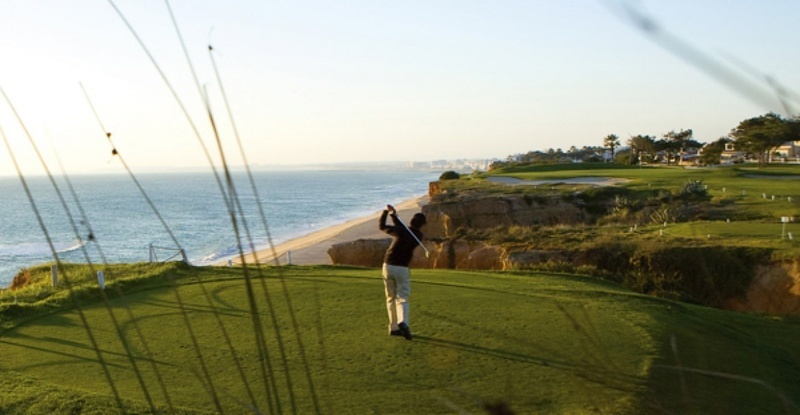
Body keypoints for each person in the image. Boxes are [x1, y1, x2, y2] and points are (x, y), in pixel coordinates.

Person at [379, 204, 426, 341]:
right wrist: (394, 214)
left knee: (390, 298)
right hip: (402, 269)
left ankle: (394, 328)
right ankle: (403, 322)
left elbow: (382, 226)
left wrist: (386, 212)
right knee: (402, 297)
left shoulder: (401, 231)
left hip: (388, 266)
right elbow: (404, 229)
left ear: (411, 221)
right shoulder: (418, 236)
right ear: (422, 225)